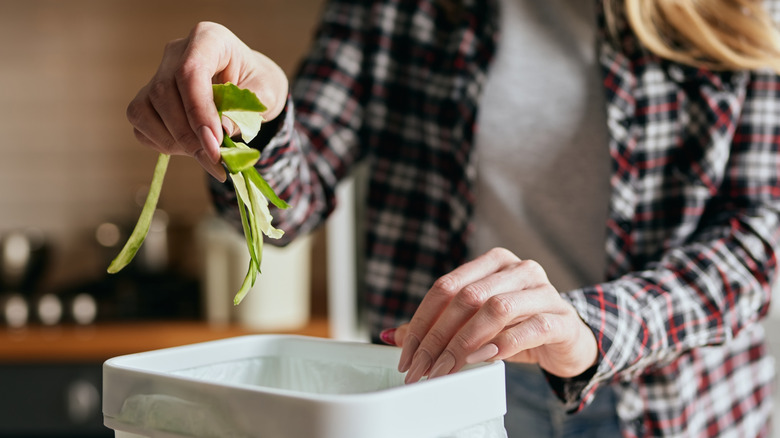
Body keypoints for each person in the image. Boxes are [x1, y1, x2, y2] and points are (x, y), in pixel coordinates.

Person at [125, 0, 780, 436]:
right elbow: (295, 190)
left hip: (677, 405)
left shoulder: (732, 11)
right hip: (448, 395)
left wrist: (585, 330)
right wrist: (256, 122)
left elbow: (756, 237)